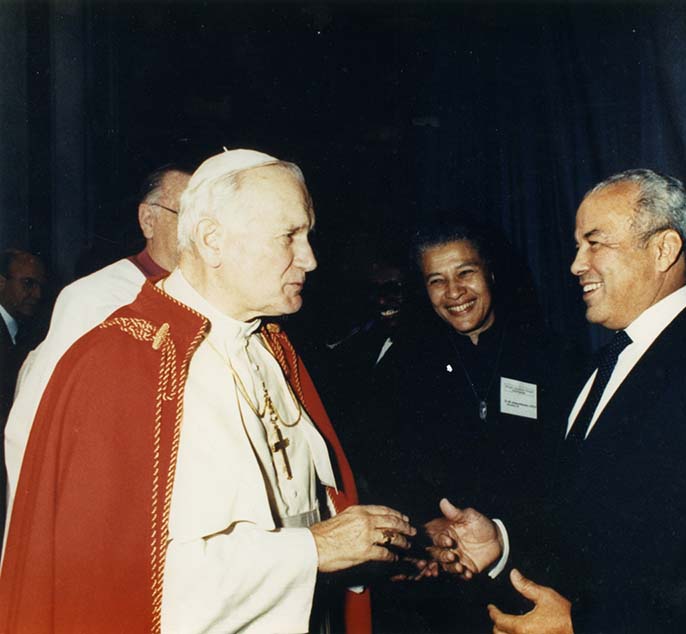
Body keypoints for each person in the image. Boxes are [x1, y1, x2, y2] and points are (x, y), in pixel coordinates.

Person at [0, 149, 415, 633]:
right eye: (289, 236)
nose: (310, 258)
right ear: (213, 241)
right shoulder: (124, 359)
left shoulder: (269, 346)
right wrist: (314, 550)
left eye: (308, 236)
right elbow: (127, 583)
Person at [426, 169, 686, 634]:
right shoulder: (599, 366)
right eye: (577, 245)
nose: (576, 264)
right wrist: (501, 543)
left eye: (595, 243)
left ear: (663, 249)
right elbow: (586, 519)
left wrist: (584, 623)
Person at [362, 221, 578, 633]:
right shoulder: (403, 364)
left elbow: (569, 476)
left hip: (532, 573)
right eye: (436, 281)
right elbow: (384, 466)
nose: (454, 292)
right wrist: (424, 526)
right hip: (441, 590)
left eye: (465, 273)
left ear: (490, 272)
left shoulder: (552, 356)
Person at [2, 164, 192, 542]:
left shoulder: (204, 296)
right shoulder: (96, 296)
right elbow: (41, 420)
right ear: (148, 219)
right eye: (185, 214)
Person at [0, 249, 46, 518]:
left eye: (40, 285)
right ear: (2, 283)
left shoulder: (25, 332)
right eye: (28, 283)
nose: (37, 294)